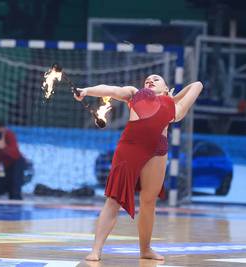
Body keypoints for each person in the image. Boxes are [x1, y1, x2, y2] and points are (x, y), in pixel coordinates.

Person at [74, 75, 203, 261]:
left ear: (166, 88)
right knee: (113, 200)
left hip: (158, 150)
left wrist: (172, 97)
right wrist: (87, 91)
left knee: (149, 202)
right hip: (130, 147)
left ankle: (146, 250)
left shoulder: (175, 108)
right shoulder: (135, 94)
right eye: (147, 80)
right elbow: (111, 89)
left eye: (156, 79)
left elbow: (197, 84)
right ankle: (96, 250)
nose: (150, 80)